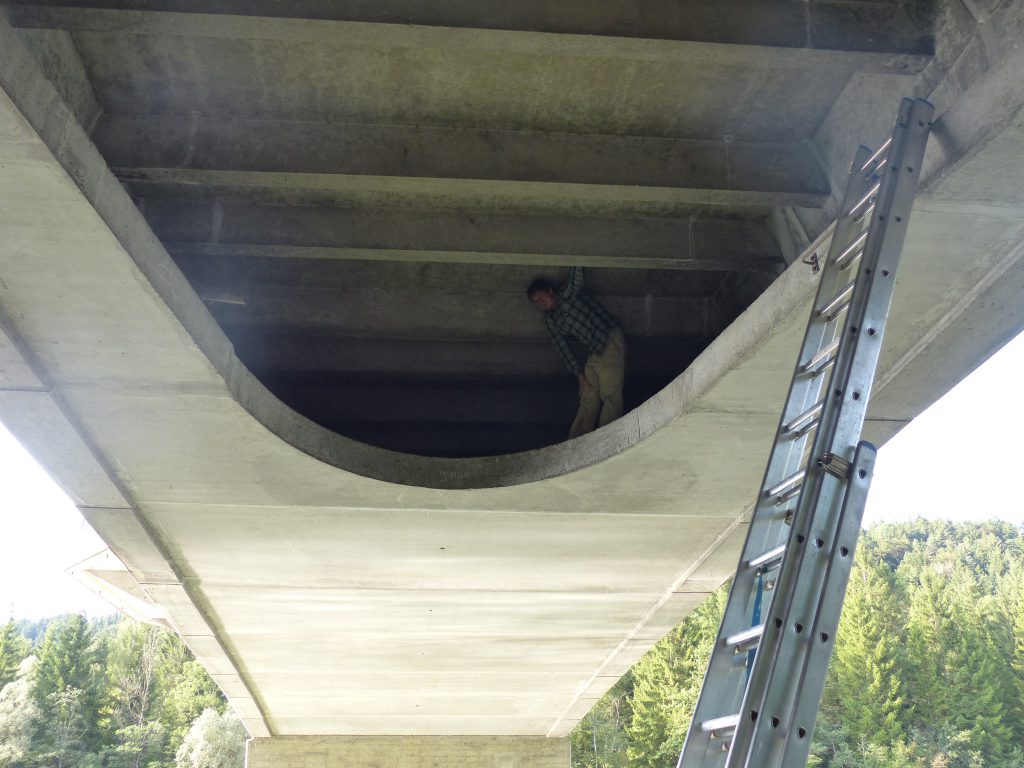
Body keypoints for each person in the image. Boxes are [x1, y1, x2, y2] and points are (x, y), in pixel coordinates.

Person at [527, 267, 626, 438]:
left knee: (611, 392)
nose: (540, 303)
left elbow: (577, 276)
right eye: (536, 302)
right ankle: (577, 441)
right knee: (588, 394)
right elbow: (563, 348)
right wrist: (580, 376)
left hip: (608, 338)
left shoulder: (566, 295)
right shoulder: (551, 320)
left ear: (550, 291)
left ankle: (608, 438)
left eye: (542, 297)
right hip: (592, 350)